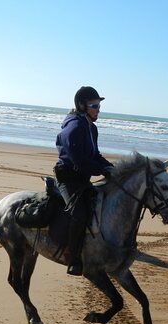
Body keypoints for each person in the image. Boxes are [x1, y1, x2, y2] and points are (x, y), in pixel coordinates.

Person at [54, 86, 114, 276]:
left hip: (81, 178)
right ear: (82, 106)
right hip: (67, 177)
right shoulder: (75, 126)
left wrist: (111, 168)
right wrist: (101, 169)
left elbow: (95, 155)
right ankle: (73, 258)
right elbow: (79, 160)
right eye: (94, 105)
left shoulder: (91, 128)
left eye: (99, 106)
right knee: (79, 213)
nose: (98, 109)